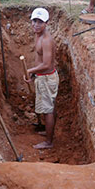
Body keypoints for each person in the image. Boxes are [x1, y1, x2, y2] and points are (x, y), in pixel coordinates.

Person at [24, 8, 58, 149]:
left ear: (47, 23)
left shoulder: (46, 40)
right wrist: (33, 74)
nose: (36, 24)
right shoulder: (38, 35)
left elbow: (47, 64)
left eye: (40, 22)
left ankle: (49, 142)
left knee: (48, 109)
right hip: (42, 77)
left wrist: (30, 70)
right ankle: (48, 131)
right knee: (48, 107)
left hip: (47, 78)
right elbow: (40, 61)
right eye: (34, 21)